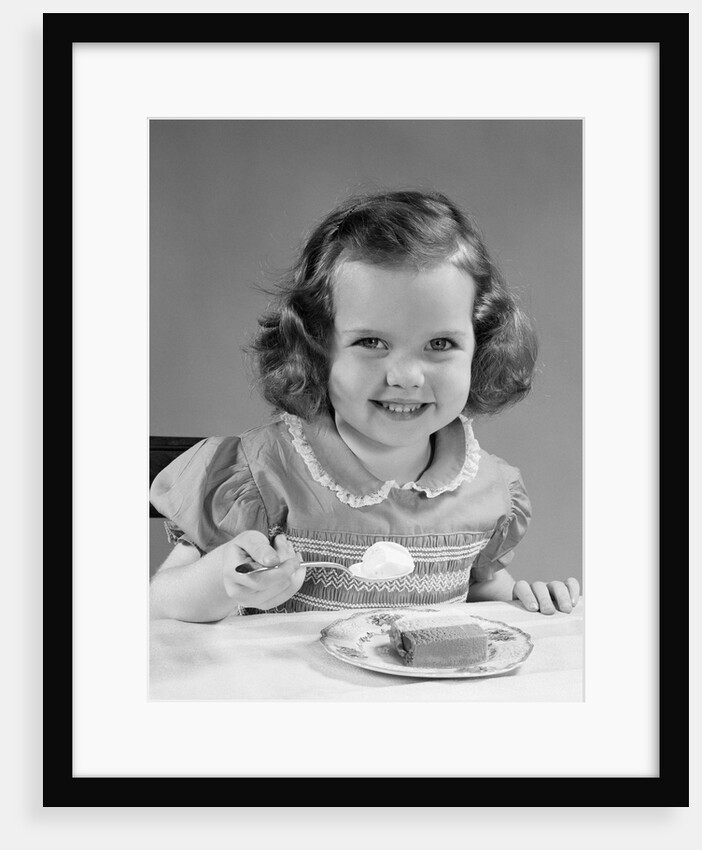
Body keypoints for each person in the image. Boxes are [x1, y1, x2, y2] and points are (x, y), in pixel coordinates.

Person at [150, 189, 580, 622]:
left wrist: (526, 601)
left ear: (480, 346)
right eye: (371, 342)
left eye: (440, 343)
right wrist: (225, 580)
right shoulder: (262, 477)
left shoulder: (488, 488)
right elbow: (161, 601)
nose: (406, 376)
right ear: (317, 346)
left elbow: (483, 589)